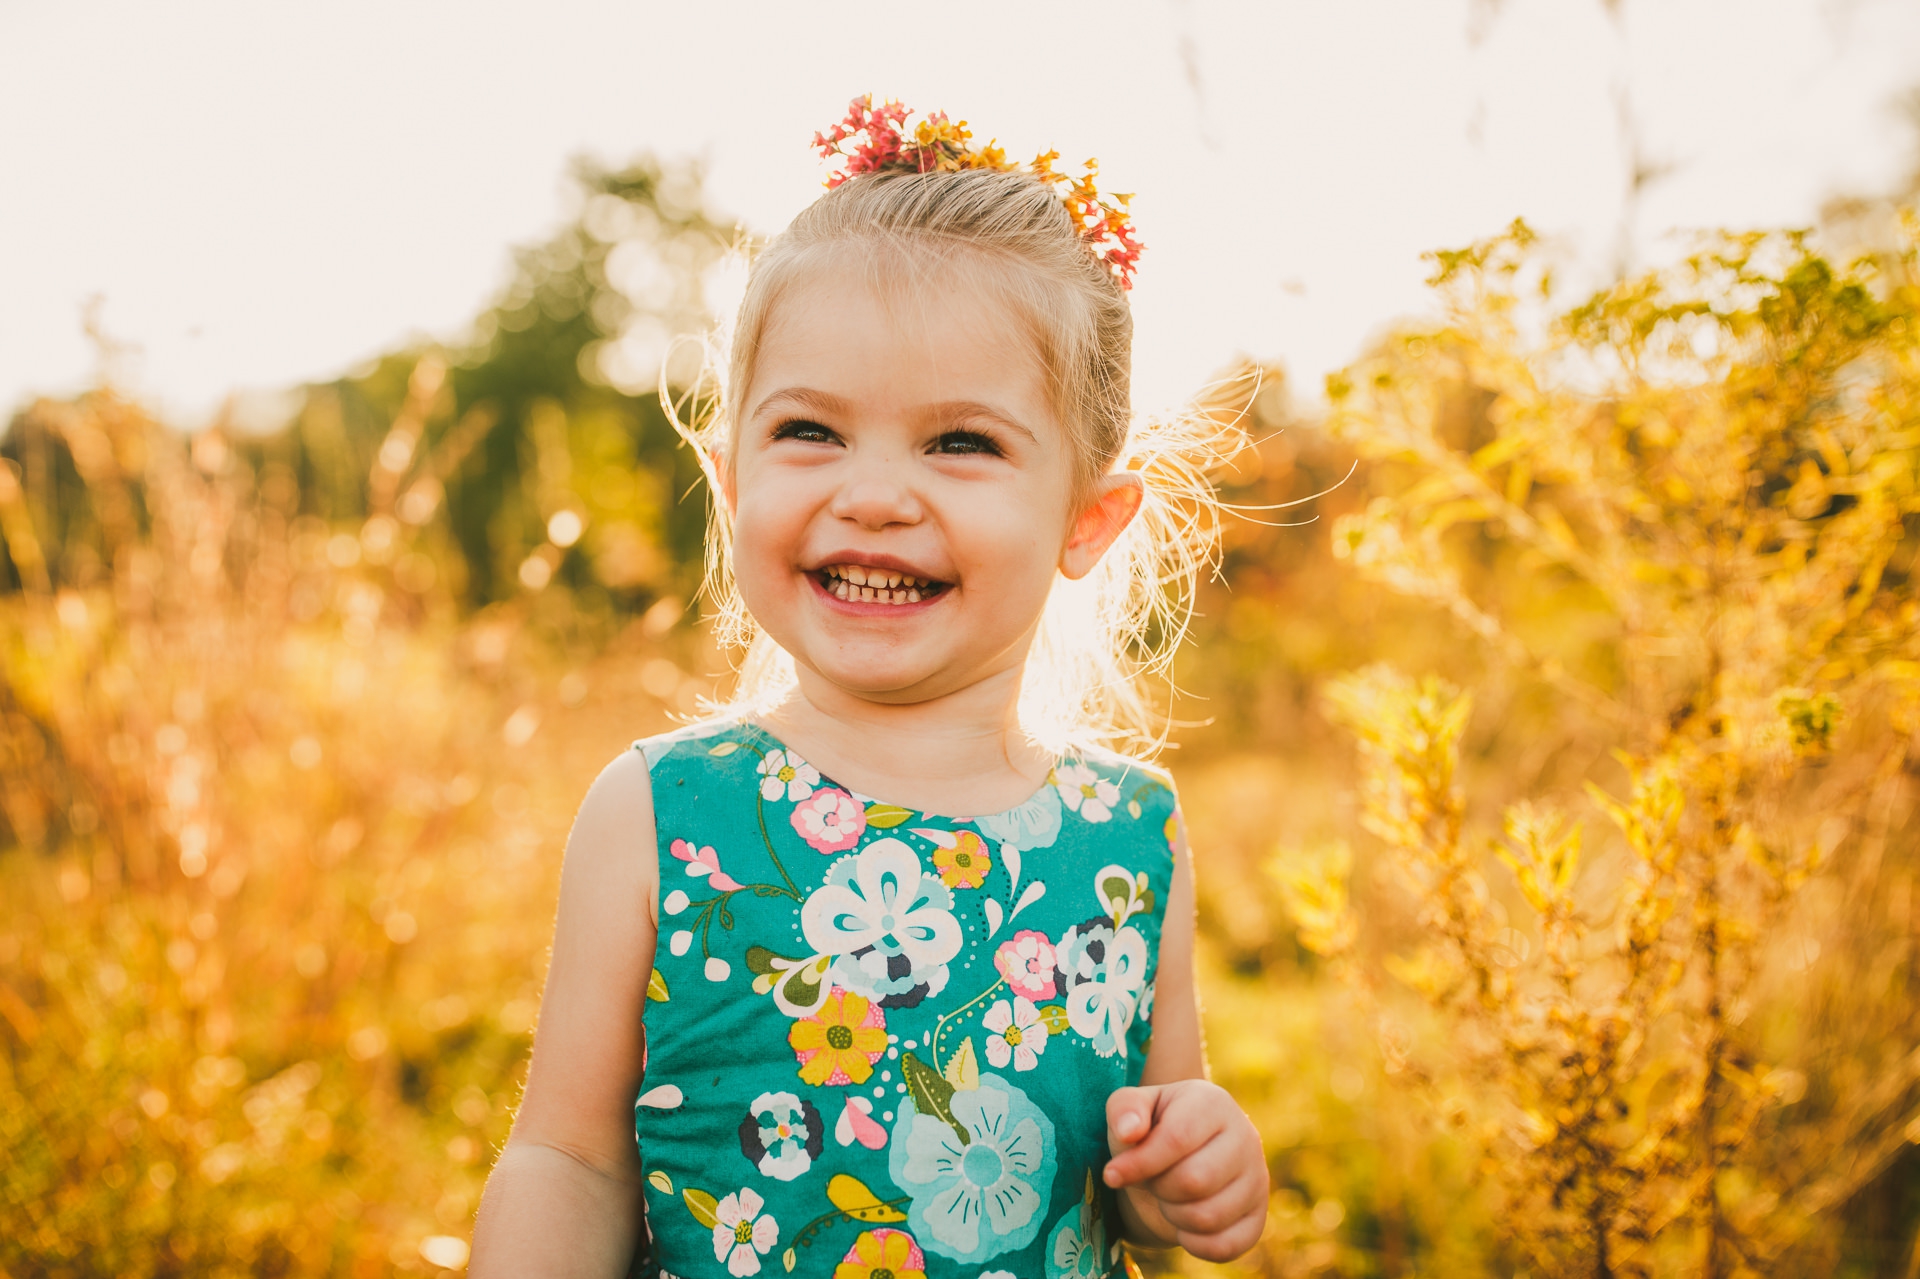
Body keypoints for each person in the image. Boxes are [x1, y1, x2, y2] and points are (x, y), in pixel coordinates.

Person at [472, 96, 1268, 1279]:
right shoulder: (663, 812)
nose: (877, 494)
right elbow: (571, 1161)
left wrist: (1192, 1166)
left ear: (1086, 519)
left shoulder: (1127, 838)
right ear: (733, 480)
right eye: (810, 431)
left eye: (962, 443)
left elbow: (1131, 1170)